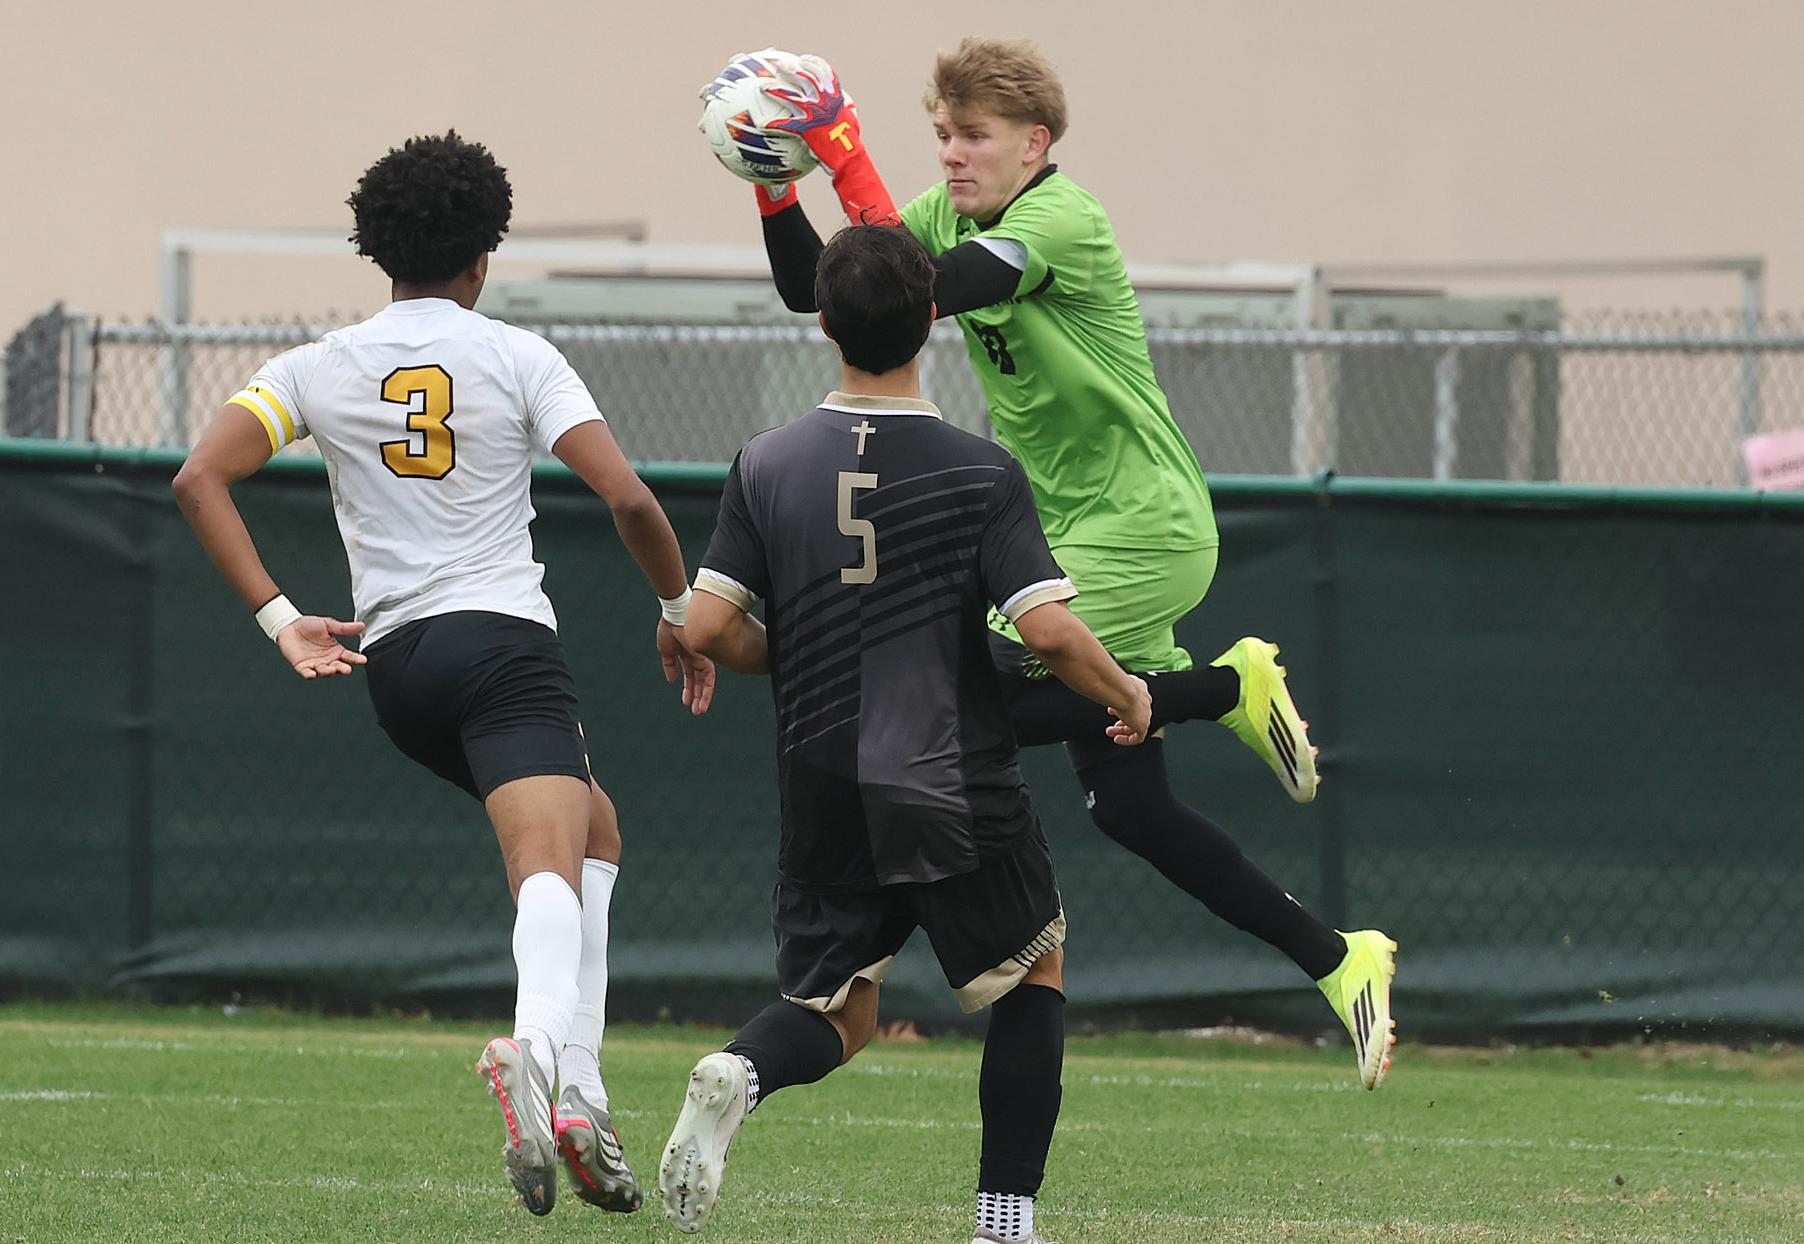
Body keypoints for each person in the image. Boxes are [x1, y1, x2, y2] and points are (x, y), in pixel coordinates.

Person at [721, 37, 1398, 1088]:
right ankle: (1340, 957)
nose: (951, 154)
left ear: (1034, 145)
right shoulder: (948, 211)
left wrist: (843, 152)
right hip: (1059, 526)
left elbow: (929, 288)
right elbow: (841, 294)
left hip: (1143, 522)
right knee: (1136, 810)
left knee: (961, 690)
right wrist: (776, 192)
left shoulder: (1060, 218)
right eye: (942, 134)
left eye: (974, 136)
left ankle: (1222, 685)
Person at [171, 131, 711, 1217]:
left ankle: (586, 1092)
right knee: (548, 863)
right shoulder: (515, 354)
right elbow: (635, 502)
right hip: (503, 646)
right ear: (482, 257)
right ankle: (540, 1059)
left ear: (380, 249)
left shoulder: (318, 365)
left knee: (595, 830)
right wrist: (676, 611)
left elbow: (198, 477)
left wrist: (281, 618)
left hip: (397, 668)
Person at [659, 224, 1152, 1244]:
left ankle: (741, 1071)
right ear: (933, 318)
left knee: (839, 1008)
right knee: (1032, 969)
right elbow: (1051, 629)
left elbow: (705, 627)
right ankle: (1005, 1220)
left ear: (825, 321)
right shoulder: (980, 470)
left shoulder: (767, 461)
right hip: (951, 775)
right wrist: (1130, 693)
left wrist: (771, 642)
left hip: (823, 775)